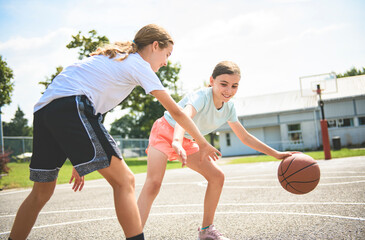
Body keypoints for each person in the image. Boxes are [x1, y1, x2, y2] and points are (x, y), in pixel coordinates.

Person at [8, 24, 220, 240]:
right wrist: (202, 143)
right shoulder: (138, 64)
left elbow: (94, 111)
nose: (166, 62)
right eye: (166, 54)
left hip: (45, 110)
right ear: (155, 46)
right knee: (125, 181)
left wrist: (78, 154)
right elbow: (175, 111)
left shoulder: (117, 58)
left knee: (41, 193)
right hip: (72, 105)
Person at [137, 61, 292, 240]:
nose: (229, 90)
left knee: (217, 176)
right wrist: (176, 141)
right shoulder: (201, 96)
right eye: (223, 84)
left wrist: (277, 154)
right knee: (153, 184)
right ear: (212, 81)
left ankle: (206, 230)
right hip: (165, 132)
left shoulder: (229, 108)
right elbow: (183, 116)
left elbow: (245, 137)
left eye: (234, 86)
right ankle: (135, 234)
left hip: (187, 139)